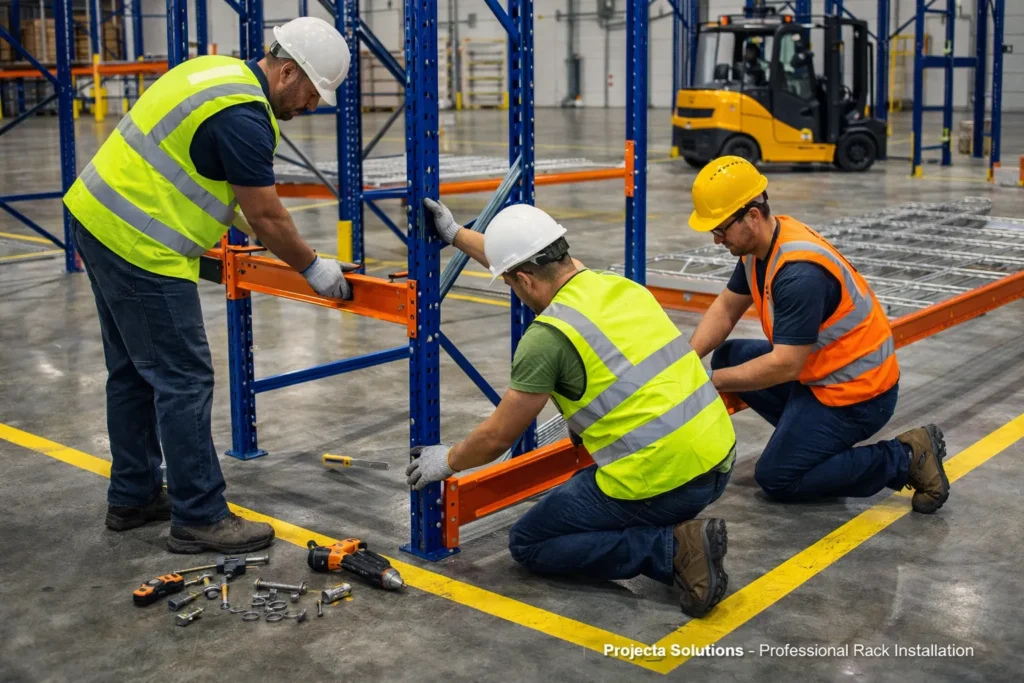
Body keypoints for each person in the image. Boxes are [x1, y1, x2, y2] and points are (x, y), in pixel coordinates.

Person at [63, 16, 354, 553]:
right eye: (313, 93)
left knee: (131, 372)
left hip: (97, 218)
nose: (312, 107)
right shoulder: (246, 117)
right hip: (139, 245)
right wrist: (312, 266)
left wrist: (278, 240)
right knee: (184, 378)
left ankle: (134, 496)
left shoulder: (218, 74)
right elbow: (266, 217)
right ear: (288, 72)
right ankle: (199, 515)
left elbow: (219, 186)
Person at [408, 198, 738, 618]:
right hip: (718, 457)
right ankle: (669, 532)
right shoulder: (620, 287)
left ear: (524, 281)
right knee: (584, 487)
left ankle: (672, 548)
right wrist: (455, 235)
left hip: (668, 478)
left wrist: (448, 460)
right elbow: (525, 258)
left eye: (510, 282)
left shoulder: (548, 337)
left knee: (530, 542)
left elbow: (497, 437)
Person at [685, 156, 950, 513]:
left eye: (720, 229)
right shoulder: (760, 245)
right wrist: (686, 362)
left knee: (778, 477)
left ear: (752, 216)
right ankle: (811, 442)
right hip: (821, 374)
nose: (717, 240)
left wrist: (707, 381)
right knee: (730, 357)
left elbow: (785, 365)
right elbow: (727, 308)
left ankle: (905, 457)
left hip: (858, 393)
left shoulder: (798, 274)